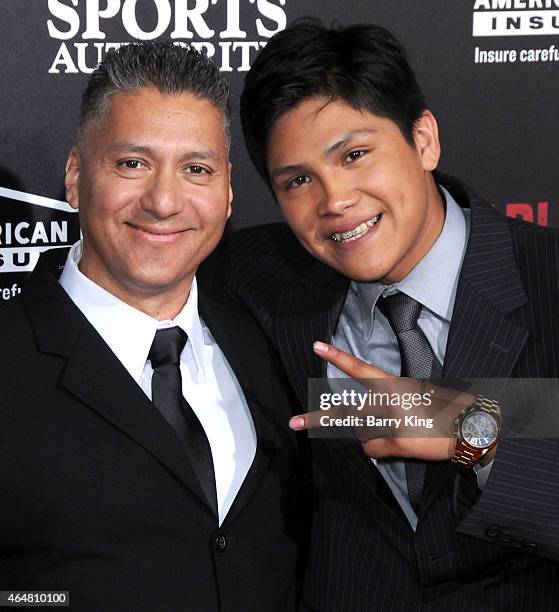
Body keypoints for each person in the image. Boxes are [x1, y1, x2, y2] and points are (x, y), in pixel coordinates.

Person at [218, 19, 559, 611]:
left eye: (354, 154)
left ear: (423, 140)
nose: (335, 201)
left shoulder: (547, 277)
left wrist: (469, 428)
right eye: (298, 180)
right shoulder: (263, 278)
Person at [0, 42, 305, 612]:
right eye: (132, 164)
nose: (164, 201)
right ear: (74, 176)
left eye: (196, 169)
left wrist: (469, 430)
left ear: (229, 189)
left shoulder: (277, 334)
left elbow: (459, 424)